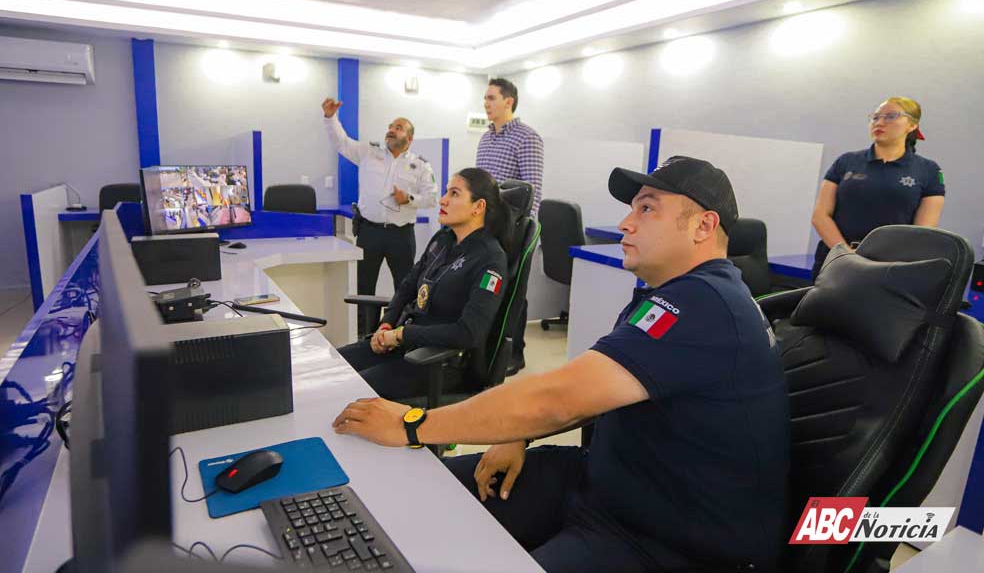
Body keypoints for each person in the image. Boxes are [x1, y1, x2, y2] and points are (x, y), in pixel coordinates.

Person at [332, 157, 789, 572]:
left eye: (647, 209)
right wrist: (518, 431)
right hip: (604, 483)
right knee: (425, 489)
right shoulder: (671, 293)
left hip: (665, 538)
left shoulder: (703, 303)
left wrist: (413, 424)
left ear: (703, 226)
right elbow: (597, 389)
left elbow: (558, 398)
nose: (626, 223)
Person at [336, 168, 510, 401]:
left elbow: (468, 333)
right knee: (332, 368)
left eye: (455, 194)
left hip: (439, 361)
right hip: (404, 344)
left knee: (347, 390)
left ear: (478, 207)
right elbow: (408, 287)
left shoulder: (490, 259)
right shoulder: (442, 240)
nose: (443, 200)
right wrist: (386, 325)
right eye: (447, 192)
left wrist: (402, 335)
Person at [322, 98, 440, 333]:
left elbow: (433, 197)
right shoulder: (369, 151)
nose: (391, 130)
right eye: (391, 126)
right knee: (364, 288)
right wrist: (330, 118)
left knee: (405, 288)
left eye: (398, 127)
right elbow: (341, 143)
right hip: (369, 232)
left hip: (401, 236)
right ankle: (364, 335)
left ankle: (398, 333)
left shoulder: (420, 166)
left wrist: (409, 199)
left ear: (409, 138)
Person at [810, 96, 945, 279]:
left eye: (891, 116)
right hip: (837, 261)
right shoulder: (846, 161)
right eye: (875, 117)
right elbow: (820, 216)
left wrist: (884, 261)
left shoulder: (928, 170)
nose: (880, 122)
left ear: (912, 125)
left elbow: (922, 230)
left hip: (891, 268)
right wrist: (845, 254)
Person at [476, 77, 544, 371]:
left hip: (513, 230)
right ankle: (489, 347)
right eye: (485, 98)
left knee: (515, 290)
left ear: (509, 101)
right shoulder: (486, 138)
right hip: (484, 226)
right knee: (488, 288)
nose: (486, 104)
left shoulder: (527, 137)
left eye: (491, 98)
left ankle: (515, 353)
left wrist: (521, 235)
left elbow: (534, 192)